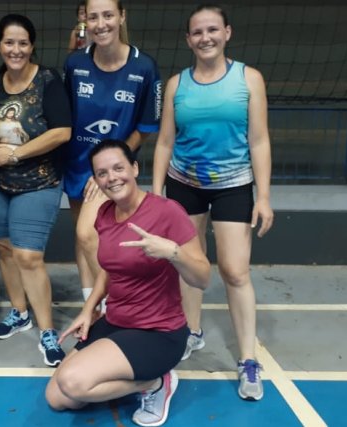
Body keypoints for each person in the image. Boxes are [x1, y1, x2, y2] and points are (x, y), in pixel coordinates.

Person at [151, 4, 274, 401]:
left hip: (234, 185)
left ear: (227, 33)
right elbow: (165, 142)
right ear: (188, 39)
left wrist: (265, 196)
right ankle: (191, 332)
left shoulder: (248, 79)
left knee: (235, 271)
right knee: (191, 265)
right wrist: (155, 192)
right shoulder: (176, 85)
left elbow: (259, 140)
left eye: (212, 30)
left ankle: (248, 360)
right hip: (184, 183)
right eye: (197, 32)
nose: (205, 38)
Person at [46, 140, 210, 427]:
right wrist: (88, 309)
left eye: (118, 168)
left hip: (158, 331)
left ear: (134, 168)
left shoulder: (167, 212)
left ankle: (155, 383)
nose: (112, 178)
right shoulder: (105, 214)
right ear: (96, 179)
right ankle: (127, 374)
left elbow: (203, 277)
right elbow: (109, 271)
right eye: (102, 173)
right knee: (57, 398)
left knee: (73, 382)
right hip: (117, 321)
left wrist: (173, 252)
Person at [0, 14, 72, 367]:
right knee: (4, 250)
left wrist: (16, 153)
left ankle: (47, 330)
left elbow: (62, 131)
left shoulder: (48, 80)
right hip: (2, 183)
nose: (15, 49)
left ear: (31, 46)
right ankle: (20, 313)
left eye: (22, 43)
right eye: (9, 42)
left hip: (40, 181)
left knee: (29, 257)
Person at [63, 0, 162, 310]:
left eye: (108, 15)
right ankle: (91, 306)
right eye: (93, 17)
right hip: (77, 164)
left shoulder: (143, 67)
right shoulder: (74, 64)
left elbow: (146, 127)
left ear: (121, 17)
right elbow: (65, 118)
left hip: (110, 172)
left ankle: (117, 306)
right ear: (85, 21)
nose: (101, 23)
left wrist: (108, 168)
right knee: (82, 238)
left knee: (89, 235)